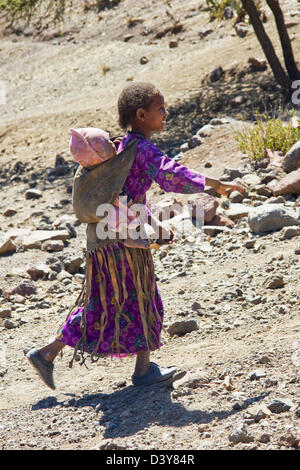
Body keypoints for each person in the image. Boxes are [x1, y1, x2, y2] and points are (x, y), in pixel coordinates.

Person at [26, 81, 245, 390]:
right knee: (142, 299)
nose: (166, 113)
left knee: (105, 304)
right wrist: (213, 183)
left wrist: (155, 225)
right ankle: (141, 371)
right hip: (122, 243)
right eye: (160, 109)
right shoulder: (141, 149)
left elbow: (130, 199)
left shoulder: (124, 145)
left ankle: (48, 353)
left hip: (105, 239)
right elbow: (171, 174)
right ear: (141, 114)